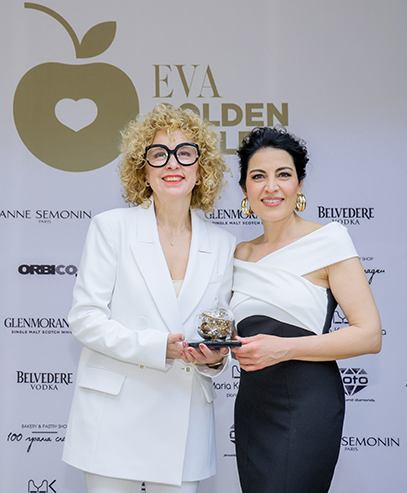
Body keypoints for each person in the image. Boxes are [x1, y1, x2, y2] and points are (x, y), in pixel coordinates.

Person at [61, 103, 237, 493]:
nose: (172, 163)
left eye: (185, 153)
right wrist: (158, 347)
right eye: (159, 154)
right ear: (143, 169)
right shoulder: (111, 228)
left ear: (202, 168)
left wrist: (214, 359)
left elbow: (218, 327)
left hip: (184, 417)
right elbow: (85, 319)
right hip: (113, 418)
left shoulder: (224, 244)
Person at [230, 127, 382, 493]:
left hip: (306, 403)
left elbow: (369, 335)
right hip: (253, 405)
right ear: (244, 189)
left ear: (299, 184)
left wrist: (284, 348)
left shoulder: (329, 239)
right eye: (258, 176)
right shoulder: (238, 254)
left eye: (283, 174)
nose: (271, 187)